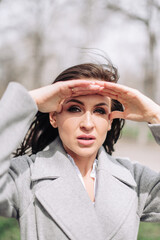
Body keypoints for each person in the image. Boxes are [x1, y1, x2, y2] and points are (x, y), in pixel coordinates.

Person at [0, 62, 160, 240]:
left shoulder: (135, 179)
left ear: (109, 121)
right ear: (53, 116)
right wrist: (30, 101)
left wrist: (155, 115)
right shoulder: (25, 176)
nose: (88, 124)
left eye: (99, 111)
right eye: (75, 109)